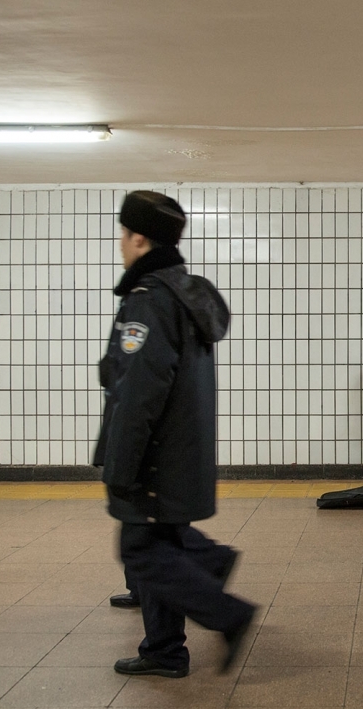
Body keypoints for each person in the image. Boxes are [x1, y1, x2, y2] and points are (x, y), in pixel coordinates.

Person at [94, 190, 256, 678]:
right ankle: (165, 648)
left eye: (124, 234)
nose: (121, 244)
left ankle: (226, 612)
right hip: (180, 452)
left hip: (155, 457)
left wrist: (120, 466)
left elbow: (138, 394)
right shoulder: (186, 297)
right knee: (161, 542)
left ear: (139, 238)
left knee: (140, 550)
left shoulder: (149, 303)